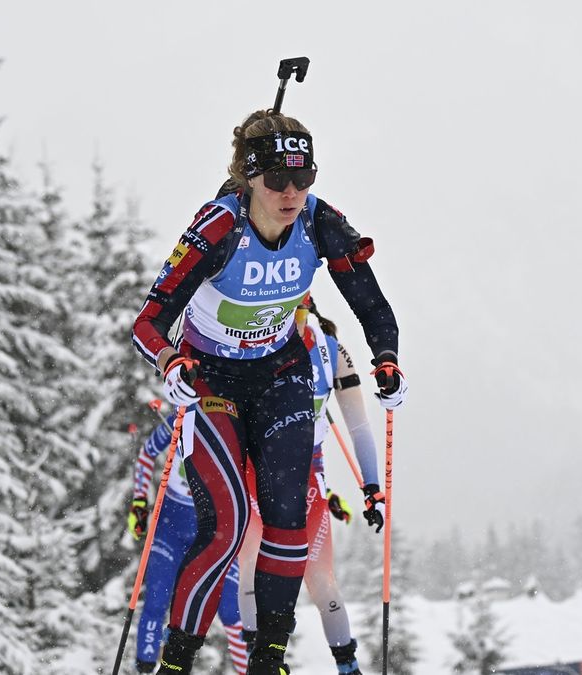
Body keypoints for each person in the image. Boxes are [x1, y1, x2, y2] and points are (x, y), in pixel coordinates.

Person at [131, 110, 406, 675]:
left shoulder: (318, 222)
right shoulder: (218, 227)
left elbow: (372, 305)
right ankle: (177, 662)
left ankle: (269, 658)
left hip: (281, 373)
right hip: (211, 379)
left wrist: (386, 361)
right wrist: (170, 360)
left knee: (288, 523)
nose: (292, 193)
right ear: (250, 177)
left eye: (303, 180)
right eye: (278, 180)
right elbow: (149, 320)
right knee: (227, 526)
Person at [238, 297, 384, 675]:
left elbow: (360, 426)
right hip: (280, 473)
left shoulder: (328, 346)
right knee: (282, 573)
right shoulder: (315, 343)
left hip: (282, 476)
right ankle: (273, 662)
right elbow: (360, 428)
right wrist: (372, 488)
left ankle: (341, 665)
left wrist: (373, 486)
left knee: (289, 575)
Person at [127, 412, 248, 674]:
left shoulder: (234, 420)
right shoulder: (177, 419)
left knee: (231, 611)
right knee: (156, 603)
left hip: (214, 529)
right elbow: (147, 454)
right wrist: (139, 502)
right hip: (170, 526)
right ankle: (145, 669)